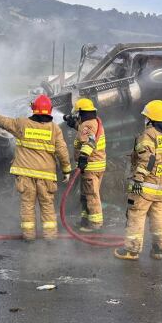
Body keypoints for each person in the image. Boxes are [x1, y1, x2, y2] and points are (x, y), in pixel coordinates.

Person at [0, 94, 72, 241]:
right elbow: (62, 151)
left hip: (25, 175)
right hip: (46, 176)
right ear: (50, 110)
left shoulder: (22, 124)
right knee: (47, 205)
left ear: (33, 109)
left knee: (27, 205)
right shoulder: (55, 129)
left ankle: (29, 236)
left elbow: (5, 122)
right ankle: (50, 237)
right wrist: (66, 170)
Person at [114, 100, 162, 261]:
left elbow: (147, 159)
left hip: (144, 186)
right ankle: (158, 250)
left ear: (152, 119)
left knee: (136, 214)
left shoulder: (148, 135)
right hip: (161, 187)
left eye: (146, 117)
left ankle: (132, 251)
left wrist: (138, 180)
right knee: (158, 217)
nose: (145, 120)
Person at [64, 98, 106, 232]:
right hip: (96, 166)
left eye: (77, 114)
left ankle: (95, 224)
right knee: (86, 194)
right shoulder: (93, 122)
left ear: (81, 112)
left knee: (91, 195)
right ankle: (85, 220)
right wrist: (74, 125)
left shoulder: (87, 125)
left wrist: (82, 158)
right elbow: (88, 134)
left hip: (90, 167)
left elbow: (89, 142)